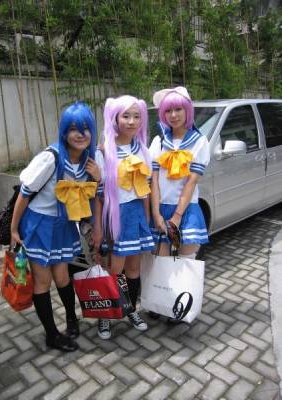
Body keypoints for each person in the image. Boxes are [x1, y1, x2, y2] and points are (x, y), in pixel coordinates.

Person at [11, 101, 101, 352]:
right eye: (73, 129)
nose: (80, 134)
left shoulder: (89, 161)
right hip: (39, 225)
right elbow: (25, 194)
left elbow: (89, 198)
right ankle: (52, 334)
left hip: (63, 225)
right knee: (43, 281)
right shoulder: (50, 158)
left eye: (85, 128)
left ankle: (71, 319)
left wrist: (98, 178)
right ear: (64, 132)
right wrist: (14, 229)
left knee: (62, 276)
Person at [93, 95, 155, 339]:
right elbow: (98, 197)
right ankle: (106, 315)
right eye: (126, 116)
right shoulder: (104, 151)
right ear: (115, 118)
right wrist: (98, 228)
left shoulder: (143, 150)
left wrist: (148, 219)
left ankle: (130, 309)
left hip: (137, 216)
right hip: (115, 216)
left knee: (133, 268)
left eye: (136, 116)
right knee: (114, 269)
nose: (132, 121)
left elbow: (146, 190)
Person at [150, 86, 210, 259]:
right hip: (160, 210)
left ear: (188, 110)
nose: (173, 115)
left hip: (186, 210)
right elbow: (154, 181)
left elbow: (191, 182)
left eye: (178, 109)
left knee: (185, 267)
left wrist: (177, 217)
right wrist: (156, 214)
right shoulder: (158, 141)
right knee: (160, 265)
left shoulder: (199, 141)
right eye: (168, 110)